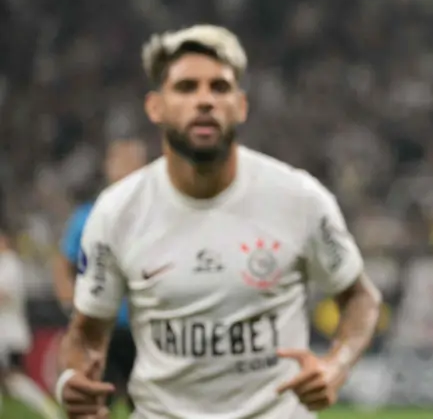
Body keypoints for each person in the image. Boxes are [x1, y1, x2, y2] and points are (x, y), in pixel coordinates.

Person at [56, 25, 382, 419]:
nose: (205, 100)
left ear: (241, 106)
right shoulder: (116, 212)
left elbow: (361, 298)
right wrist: (73, 378)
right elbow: (86, 334)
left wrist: (336, 364)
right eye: (187, 87)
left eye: (220, 87)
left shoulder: (299, 198)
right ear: (155, 107)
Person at [55, 138, 147, 411]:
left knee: (148, 407)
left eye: (133, 162)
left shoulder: (156, 216)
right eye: (120, 162)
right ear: (108, 167)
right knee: (92, 403)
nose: (126, 169)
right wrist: (70, 302)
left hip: (144, 330)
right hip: (100, 330)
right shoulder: (89, 215)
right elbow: (63, 262)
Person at [0, 228, 61, 419]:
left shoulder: (11, 263)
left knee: (14, 378)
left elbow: (5, 294)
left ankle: (48, 409)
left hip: (10, 334)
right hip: (4, 333)